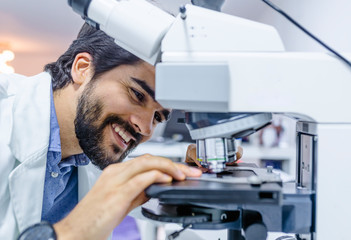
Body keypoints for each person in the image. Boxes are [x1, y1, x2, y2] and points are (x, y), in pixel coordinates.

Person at [0, 22, 204, 240]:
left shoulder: (88, 148)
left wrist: (196, 178)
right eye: (137, 94)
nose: (145, 128)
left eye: (157, 117)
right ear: (83, 68)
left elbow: (136, 192)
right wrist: (69, 233)